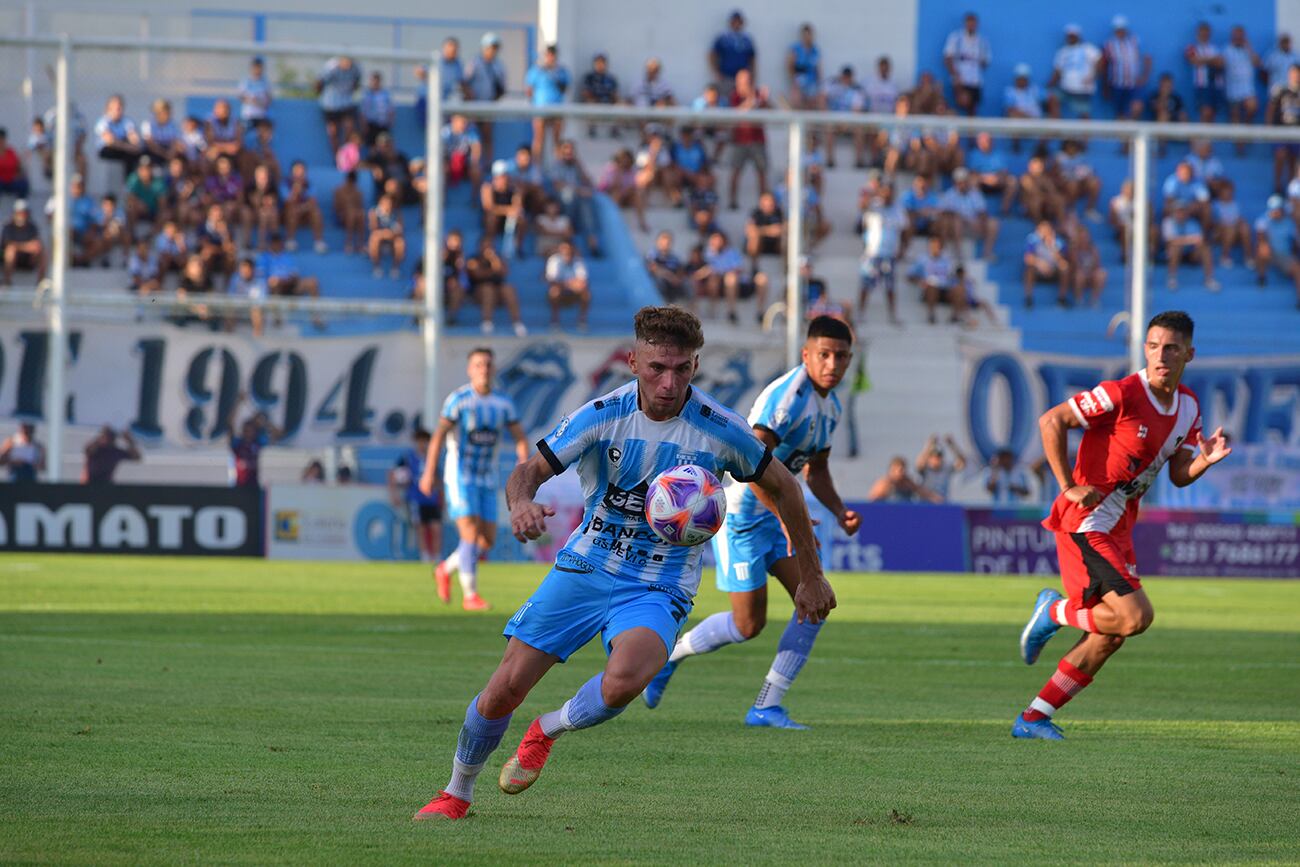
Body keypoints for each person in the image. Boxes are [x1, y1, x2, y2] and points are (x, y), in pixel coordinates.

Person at [412, 306, 832, 821]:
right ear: (633, 361)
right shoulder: (601, 415)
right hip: (586, 568)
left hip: (658, 585)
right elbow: (529, 470)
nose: (668, 381)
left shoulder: (721, 429)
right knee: (504, 690)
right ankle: (457, 791)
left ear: (695, 366)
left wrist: (811, 574)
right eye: (657, 367)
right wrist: (521, 503)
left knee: (626, 678)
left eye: (680, 369)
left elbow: (784, 486)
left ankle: (548, 728)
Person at [1014, 311, 1231, 740]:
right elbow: (1051, 420)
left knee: (1111, 634)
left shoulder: (1188, 407)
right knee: (1134, 618)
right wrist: (1068, 485)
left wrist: (1204, 460)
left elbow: (1179, 473)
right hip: (1087, 520)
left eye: (1170, 347)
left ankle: (1034, 718)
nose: (1160, 355)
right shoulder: (1121, 393)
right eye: (1152, 346)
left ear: (1189, 352)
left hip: (1118, 526)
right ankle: (1053, 611)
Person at [643, 315, 856, 729]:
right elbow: (755, 468)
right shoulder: (788, 398)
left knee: (814, 602)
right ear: (806, 355)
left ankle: (766, 705)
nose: (833, 364)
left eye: (842, 357)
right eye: (825, 355)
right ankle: (670, 657)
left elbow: (818, 468)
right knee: (747, 623)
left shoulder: (830, 404)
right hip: (742, 516)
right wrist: (785, 519)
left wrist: (838, 509)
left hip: (779, 516)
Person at [417, 347, 527, 613]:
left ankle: (444, 569)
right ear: (470, 370)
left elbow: (520, 438)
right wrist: (429, 471)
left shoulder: (503, 403)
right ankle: (471, 596)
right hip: (460, 475)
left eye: (488, 364)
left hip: (487, 478)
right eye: (478, 365)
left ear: (494, 368)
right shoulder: (459, 400)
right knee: (468, 533)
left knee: (485, 541)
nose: (484, 369)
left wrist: (523, 467)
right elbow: (439, 436)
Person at [390, 427, 442, 574]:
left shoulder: (433, 458)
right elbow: (393, 474)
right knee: (421, 529)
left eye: (426, 441)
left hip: (432, 499)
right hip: (415, 499)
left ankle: (437, 558)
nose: (423, 444)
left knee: (436, 528)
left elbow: (438, 479)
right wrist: (394, 494)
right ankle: (425, 558)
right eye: (420, 441)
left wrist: (442, 497)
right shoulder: (407, 458)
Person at [464, 236, 528, 336]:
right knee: (488, 288)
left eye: (490, 246)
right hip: (479, 292)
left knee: (509, 289)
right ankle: (487, 322)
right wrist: (493, 271)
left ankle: (517, 323)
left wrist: (493, 259)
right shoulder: (473, 259)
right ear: (479, 247)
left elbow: (504, 272)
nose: (488, 248)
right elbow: (478, 274)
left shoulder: (497, 258)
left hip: (498, 292)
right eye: (485, 246)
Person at [726, 69, 770, 211]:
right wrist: (752, 100)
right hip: (740, 141)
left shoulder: (758, 95)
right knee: (735, 171)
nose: (745, 84)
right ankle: (732, 201)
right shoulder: (735, 96)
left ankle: (764, 204)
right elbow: (736, 114)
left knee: (762, 173)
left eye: (748, 81)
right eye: (743, 81)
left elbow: (770, 111)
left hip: (758, 140)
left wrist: (764, 100)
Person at [465, 34, 507, 167]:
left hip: (488, 106)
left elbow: (502, 88)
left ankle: (487, 164)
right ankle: (471, 164)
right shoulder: (475, 62)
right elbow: (465, 82)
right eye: (490, 47)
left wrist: (494, 100)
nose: (492, 51)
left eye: (495, 48)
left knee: (487, 135)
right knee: (470, 136)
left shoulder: (499, 66)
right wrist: (470, 97)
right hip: (473, 106)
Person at [525, 44, 570, 162]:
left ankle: (558, 168)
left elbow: (565, 88)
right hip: (540, 108)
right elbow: (529, 90)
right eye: (548, 54)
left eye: (553, 55)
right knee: (539, 139)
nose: (551, 57)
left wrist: (553, 74)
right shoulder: (536, 70)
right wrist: (535, 103)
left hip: (557, 108)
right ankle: (536, 169)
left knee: (557, 140)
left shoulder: (561, 71)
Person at [1101, 16, 1150, 120]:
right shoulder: (1109, 44)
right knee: (1120, 112)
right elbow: (1104, 65)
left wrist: (1145, 77)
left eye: (1122, 29)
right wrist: (1105, 86)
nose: (1120, 31)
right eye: (1118, 29)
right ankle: (1124, 136)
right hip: (1117, 84)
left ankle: (1132, 130)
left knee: (1137, 107)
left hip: (1134, 83)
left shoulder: (1134, 41)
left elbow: (1147, 58)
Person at [227, 397, 283, 488]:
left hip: (253, 486)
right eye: (245, 430)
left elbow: (278, 434)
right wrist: (237, 404)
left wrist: (265, 421)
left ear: (255, 432)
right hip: (237, 484)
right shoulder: (237, 444)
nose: (247, 433)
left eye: (250, 430)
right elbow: (229, 424)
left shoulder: (258, 443)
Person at [1254, 195, 1300, 304]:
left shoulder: (1290, 222)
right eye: (1273, 210)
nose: (1275, 212)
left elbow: (1295, 242)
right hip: (1270, 253)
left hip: (1284, 255)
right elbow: (1260, 237)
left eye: (1277, 209)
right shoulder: (1263, 220)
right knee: (1262, 248)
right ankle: (1261, 278)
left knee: (1297, 269)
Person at [943, 12, 991, 116]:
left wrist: (976, 60)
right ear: (965, 23)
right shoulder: (956, 38)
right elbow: (948, 58)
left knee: (972, 108)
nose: (971, 25)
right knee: (962, 102)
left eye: (973, 22)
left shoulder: (982, 41)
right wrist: (955, 75)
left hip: (975, 80)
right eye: (969, 22)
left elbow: (985, 61)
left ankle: (971, 131)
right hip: (960, 79)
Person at [1050, 24, 1101, 119]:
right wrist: (1050, 84)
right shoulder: (1063, 51)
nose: (1071, 38)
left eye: (1073, 36)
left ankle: (1085, 133)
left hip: (1082, 88)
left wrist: (1093, 76)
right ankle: (1056, 127)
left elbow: (1100, 61)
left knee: (1083, 113)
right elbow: (1058, 70)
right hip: (1066, 88)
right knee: (1053, 98)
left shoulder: (1088, 48)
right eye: (1069, 36)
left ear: (1078, 36)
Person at [1222, 26, 1261, 138]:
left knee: (1252, 107)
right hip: (1232, 89)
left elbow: (1257, 63)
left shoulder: (1248, 50)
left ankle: (1247, 129)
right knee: (1235, 117)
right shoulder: (1227, 50)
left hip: (1247, 88)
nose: (1239, 38)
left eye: (1241, 36)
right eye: (1236, 35)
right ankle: (1239, 145)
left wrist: (1248, 47)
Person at [318, 55, 361, 154]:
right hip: (330, 104)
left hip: (346, 103)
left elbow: (356, 83)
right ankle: (337, 155)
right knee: (333, 132)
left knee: (349, 127)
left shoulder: (356, 68)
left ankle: (345, 154)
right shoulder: (331, 67)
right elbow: (319, 83)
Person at [1267, 64, 1300, 194]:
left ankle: (1291, 189)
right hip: (1281, 130)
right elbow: (1271, 108)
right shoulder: (1281, 89)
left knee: (1293, 160)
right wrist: (1268, 128)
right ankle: (1277, 185)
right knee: (1280, 154)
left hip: (1297, 132)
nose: (1296, 76)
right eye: (1294, 73)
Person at [544, 239, 591, 330]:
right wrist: (570, 284)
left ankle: (582, 322)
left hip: (574, 293)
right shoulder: (554, 260)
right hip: (561, 291)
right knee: (554, 292)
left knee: (586, 294)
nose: (566, 251)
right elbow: (552, 281)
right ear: (560, 250)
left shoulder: (578, 261)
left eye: (568, 249)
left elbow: (583, 282)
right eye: (564, 249)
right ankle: (555, 322)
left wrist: (566, 284)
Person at [1023, 219, 1070, 308]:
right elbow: (1028, 258)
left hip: (1053, 270)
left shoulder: (1058, 242)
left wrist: (1053, 248)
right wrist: (1040, 263)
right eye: (1042, 230)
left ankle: (1062, 299)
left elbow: (1063, 261)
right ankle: (1028, 298)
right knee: (1029, 269)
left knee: (1065, 269)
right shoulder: (1033, 240)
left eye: (1047, 230)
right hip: (1038, 270)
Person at [711, 10, 757, 95]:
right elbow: (713, 55)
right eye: (734, 21)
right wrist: (716, 72)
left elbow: (752, 58)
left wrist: (752, 75)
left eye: (738, 21)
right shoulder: (723, 38)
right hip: (727, 76)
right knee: (727, 98)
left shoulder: (747, 40)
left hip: (743, 79)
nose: (736, 23)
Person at [1, 200, 46, 287]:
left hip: (28, 260)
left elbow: (36, 245)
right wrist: (26, 246)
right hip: (10, 260)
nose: (22, 215)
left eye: (24, 212)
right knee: (11, 251)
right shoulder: (8, 227)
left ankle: (41, 282)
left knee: (42, 252)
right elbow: (8, 244)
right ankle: (7, 281)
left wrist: (18, 246)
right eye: (20, 212)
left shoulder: (32, 227)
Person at [1186, 21, 1224, 122]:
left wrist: (1203, 60)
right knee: (1205, 112)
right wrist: (1212, 60)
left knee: (1213, 113)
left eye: (1207, 32)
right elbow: (1193, 61)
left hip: (1216, 84)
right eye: (1202, 32)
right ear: (1198, 33)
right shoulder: (1192, 47)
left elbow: (1221, 63)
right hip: (1202, 85)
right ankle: (1201, 137)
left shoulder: (1215, 48)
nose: (1205, 34)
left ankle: (1208, 137)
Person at [579, 53, 620, 139]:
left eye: (602, 63)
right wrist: (595, 99)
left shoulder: (611, 78)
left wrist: (616, 100)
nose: (600, 65)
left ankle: (615, 130)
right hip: (594, 102)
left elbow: (615, 93)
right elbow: (585, 92)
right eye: (598, 63)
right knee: (591, 104)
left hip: (608, 103)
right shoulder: (589, 77)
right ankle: (592, 129)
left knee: (620, 106)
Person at [915, 434, 967, 501]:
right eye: (934, 457)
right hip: (926, 504)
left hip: (942, 503)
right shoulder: (925, 469)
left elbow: (962, 463)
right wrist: (929, 445)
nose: (937, 460)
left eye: (939, 457)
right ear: (929, 458)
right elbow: (919, 464)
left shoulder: (946, 469)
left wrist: (952, 445)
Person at [868, 456, 942, 502]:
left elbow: (921, 491)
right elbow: (872, 499)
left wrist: (934, 497)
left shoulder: (907, 482)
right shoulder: (884, 483)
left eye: (904, 469)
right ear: (892, 470)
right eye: (900, 470)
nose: (902, 473)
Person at [646, 230, 689, 306]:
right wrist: (670, 277)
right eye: (663, 241)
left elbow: (680, 269)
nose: (665, 244)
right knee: (659, 282)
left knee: (687, 284)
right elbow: (654, 269)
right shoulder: (652, 254)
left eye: (667, 242)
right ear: (658, 242)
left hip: (673, 282)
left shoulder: (674, 257)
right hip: (660, 279)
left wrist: (678, 278)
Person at [368, 194, 405, 279]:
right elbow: (373, 230)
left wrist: (388, 234)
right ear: (380, 203)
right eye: (384, 203)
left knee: (400, 242)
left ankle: (395, 269)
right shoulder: (374, 213)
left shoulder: (397, 213)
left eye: (389, 203)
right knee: (374, 239)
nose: (387, 205)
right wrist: (387, 233)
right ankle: (377, 267)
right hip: (380, 240)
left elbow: (400, 231)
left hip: (392, 241)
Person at [787, 23, 822, 109]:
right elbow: (790, 65)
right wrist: (793, 79)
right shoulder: (796, 48)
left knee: (811, 103)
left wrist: (819, 82)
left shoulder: (815, 50)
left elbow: (818, 67)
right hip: (799, 79)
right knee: (797, 102)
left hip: (811, 81)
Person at [227, 256, 265, 336]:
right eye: (242, 269)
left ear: (253, 270)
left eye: (247, 269)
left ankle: (258, 337)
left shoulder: (260, 281)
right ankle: (229, 337)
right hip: (238, 307)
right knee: (229, 310)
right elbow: (230, 297)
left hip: (253, 309)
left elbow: (262, 300)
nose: (245, 272)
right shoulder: (235, 279)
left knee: (256, 311)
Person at [333, 170, 367, 254]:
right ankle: (348, 243)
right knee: (351, 213)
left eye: (352, 182)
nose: (351, 184)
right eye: (349, 181)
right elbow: (336, 208)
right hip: (341, 217)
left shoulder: (358, 192)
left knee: (361, 214)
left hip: (355, 217)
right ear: (346, 180)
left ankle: (361, 244)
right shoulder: (338, 191)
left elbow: (360, 207)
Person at [238, 57, 272, 127]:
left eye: (259, 67)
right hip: (248, 116)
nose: (257, 69)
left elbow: (269, 99)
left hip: (261, 116)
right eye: (255, 67)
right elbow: (241, 97)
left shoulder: (265, 82)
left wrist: (260, 102)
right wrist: (252, 101)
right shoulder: (246, 81)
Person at [0, 127, 30, 199]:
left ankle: (20, 205)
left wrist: (20, 175)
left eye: (2, 139)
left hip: (11, 181)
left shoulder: (11, 152)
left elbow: (18, 166)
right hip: (1, 182)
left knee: (23, 184)